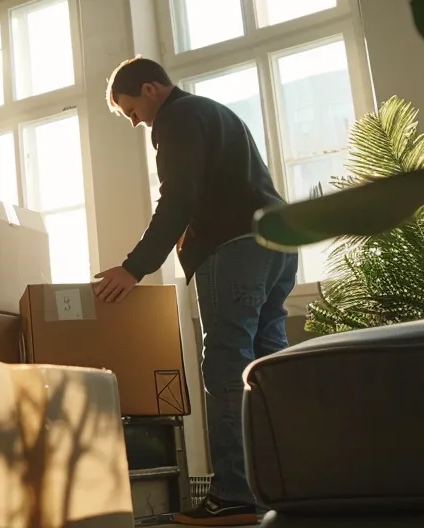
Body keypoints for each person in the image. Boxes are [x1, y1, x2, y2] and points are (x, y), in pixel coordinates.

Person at [93, 57, 295, 527]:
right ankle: (276, 489)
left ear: (150, 89)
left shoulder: (177, 118)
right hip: (278, 241)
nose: (136, 121)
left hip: (236, 248)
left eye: (132, 111)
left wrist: (133, 268)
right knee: (267, 368)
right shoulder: (214, 112)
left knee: (226, 364)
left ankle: (233, 494)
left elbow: (179, 197)